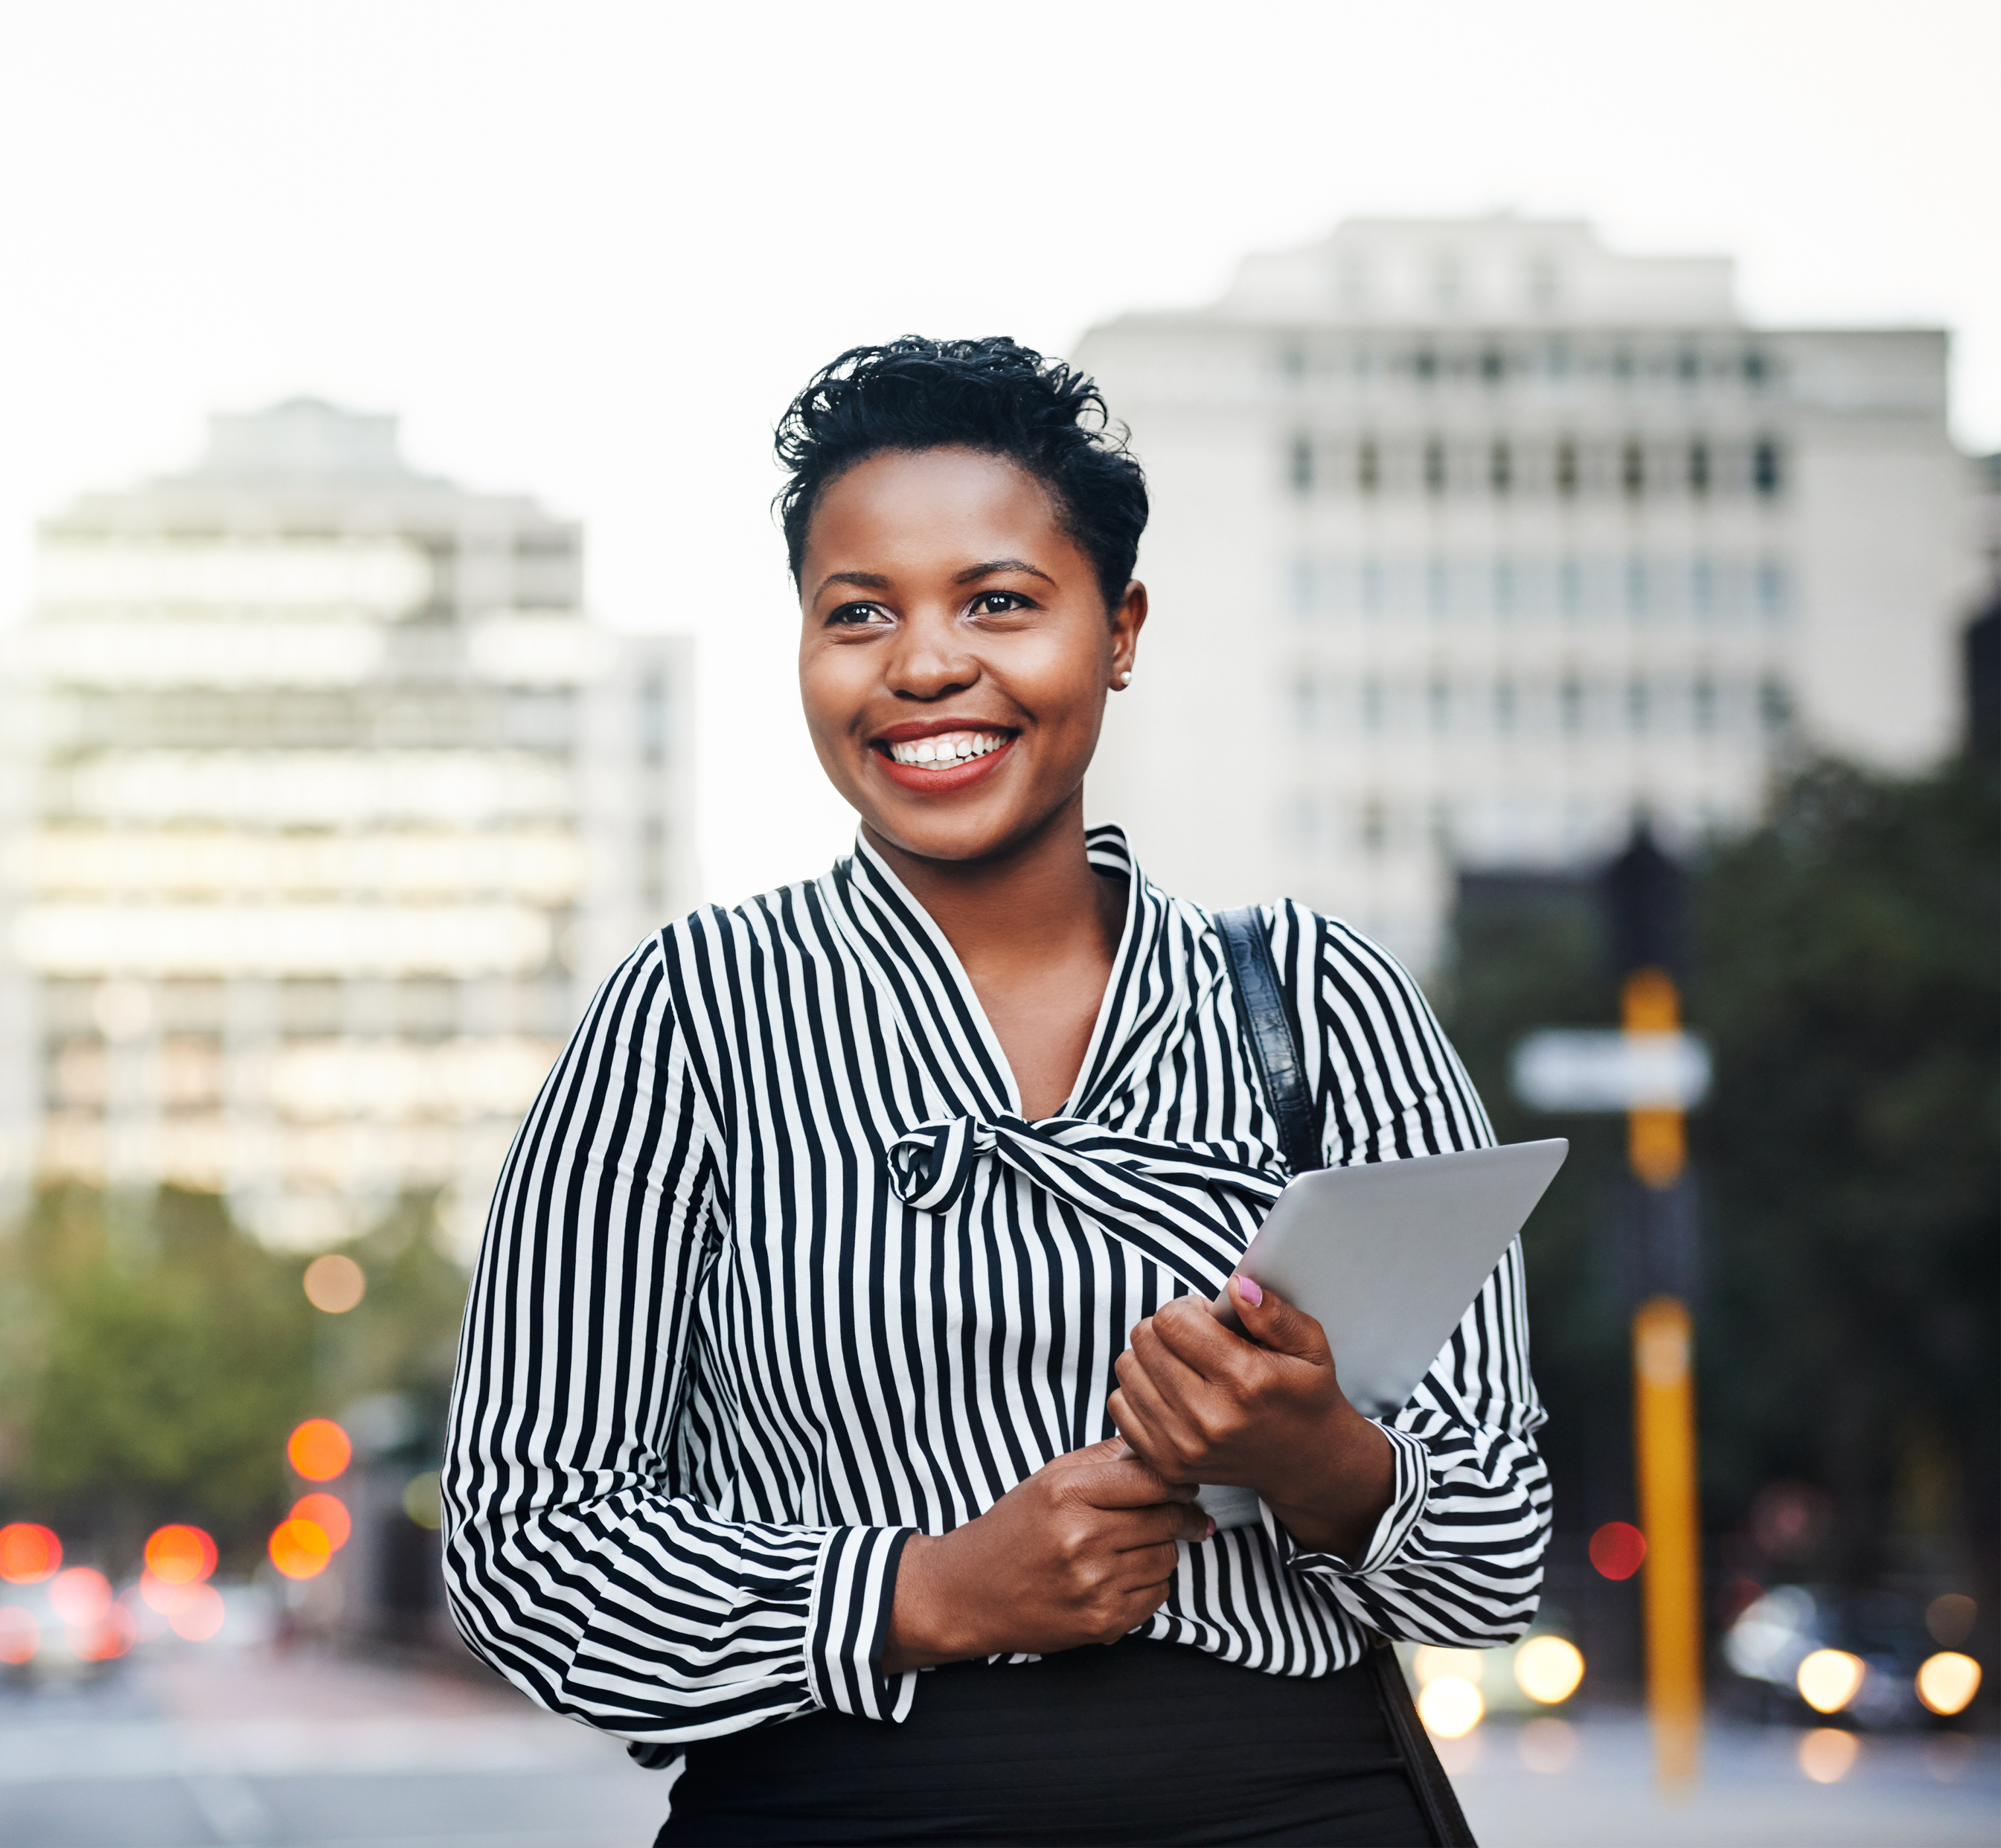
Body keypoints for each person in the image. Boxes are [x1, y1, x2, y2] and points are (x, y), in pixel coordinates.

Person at [440, 338, 1547, 1845]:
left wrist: (1314, 1457)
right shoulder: (685, 1016)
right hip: (840, 1808)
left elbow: (1494, 1563)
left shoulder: (1318, 1002)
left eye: (999, 602)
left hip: (1297, 1802)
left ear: (1119, 629)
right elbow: (525, 1550)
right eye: (857, 615)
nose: (922, 665)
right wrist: (919, 1593)